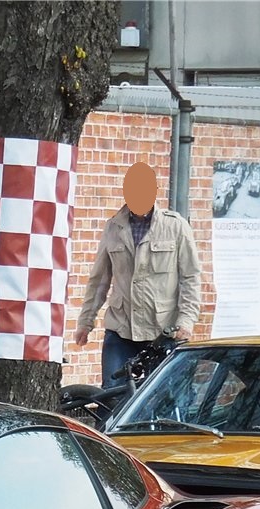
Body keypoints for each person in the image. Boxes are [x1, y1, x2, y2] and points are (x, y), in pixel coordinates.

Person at [74, 161, 202, 386]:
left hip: (162, 332)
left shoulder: (176, 227)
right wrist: (86, 321)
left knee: (166, 396)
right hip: (121, 328)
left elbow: (190, 278)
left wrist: (186, 321)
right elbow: (100, 279)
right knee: (111, 396)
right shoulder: (113, 227)